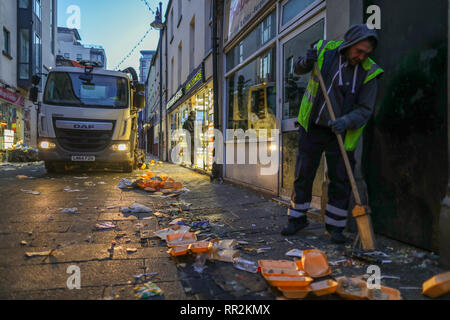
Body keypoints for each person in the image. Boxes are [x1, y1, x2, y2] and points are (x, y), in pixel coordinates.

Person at [281, 24, 384, 244]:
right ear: (349, 44)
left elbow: (365, 110)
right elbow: (298, 69)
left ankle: (335, 227)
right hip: (314, 126)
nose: (361, 56)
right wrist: (306, 62)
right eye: (359, 51)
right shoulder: (325, 51)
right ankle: (297, 219)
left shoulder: (369, 72)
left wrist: (346, 121)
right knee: (304, 173)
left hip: (341, 132)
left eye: (366, 53)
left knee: (340, 179)